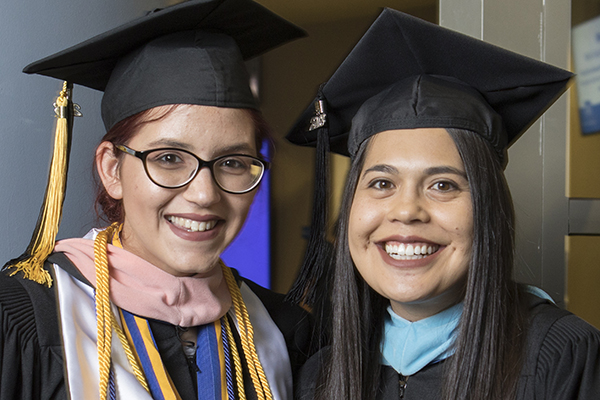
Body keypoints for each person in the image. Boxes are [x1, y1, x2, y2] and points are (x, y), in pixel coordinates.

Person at [0, 0, 312, 399]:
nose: (204, 194)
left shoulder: (285, 329)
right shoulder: (22, 319)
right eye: (168, 158)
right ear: (112, 170)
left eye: (233, 162)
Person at [286, 8, 600, 400]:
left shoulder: (560, 356)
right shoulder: (322, 375)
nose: (405, 210)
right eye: (382, 182)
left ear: (489, 208)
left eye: (443, 184)